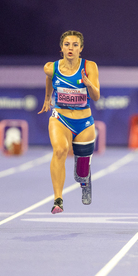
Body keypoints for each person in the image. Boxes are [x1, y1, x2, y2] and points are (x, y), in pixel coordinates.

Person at [38, 31, 100, 214]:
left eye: (74, 45)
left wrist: (88, 84)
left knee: (81, 171)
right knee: (59, 150)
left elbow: (96, 97)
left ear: (81, 48)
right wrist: (47, 98)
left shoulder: (90, 66)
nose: (70, 48)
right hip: (60, 118)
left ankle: (85, 180)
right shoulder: (50, 67)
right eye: (67, 44)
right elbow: (49, 78)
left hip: (84, 123)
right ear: (61, 48)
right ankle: (58, 199)